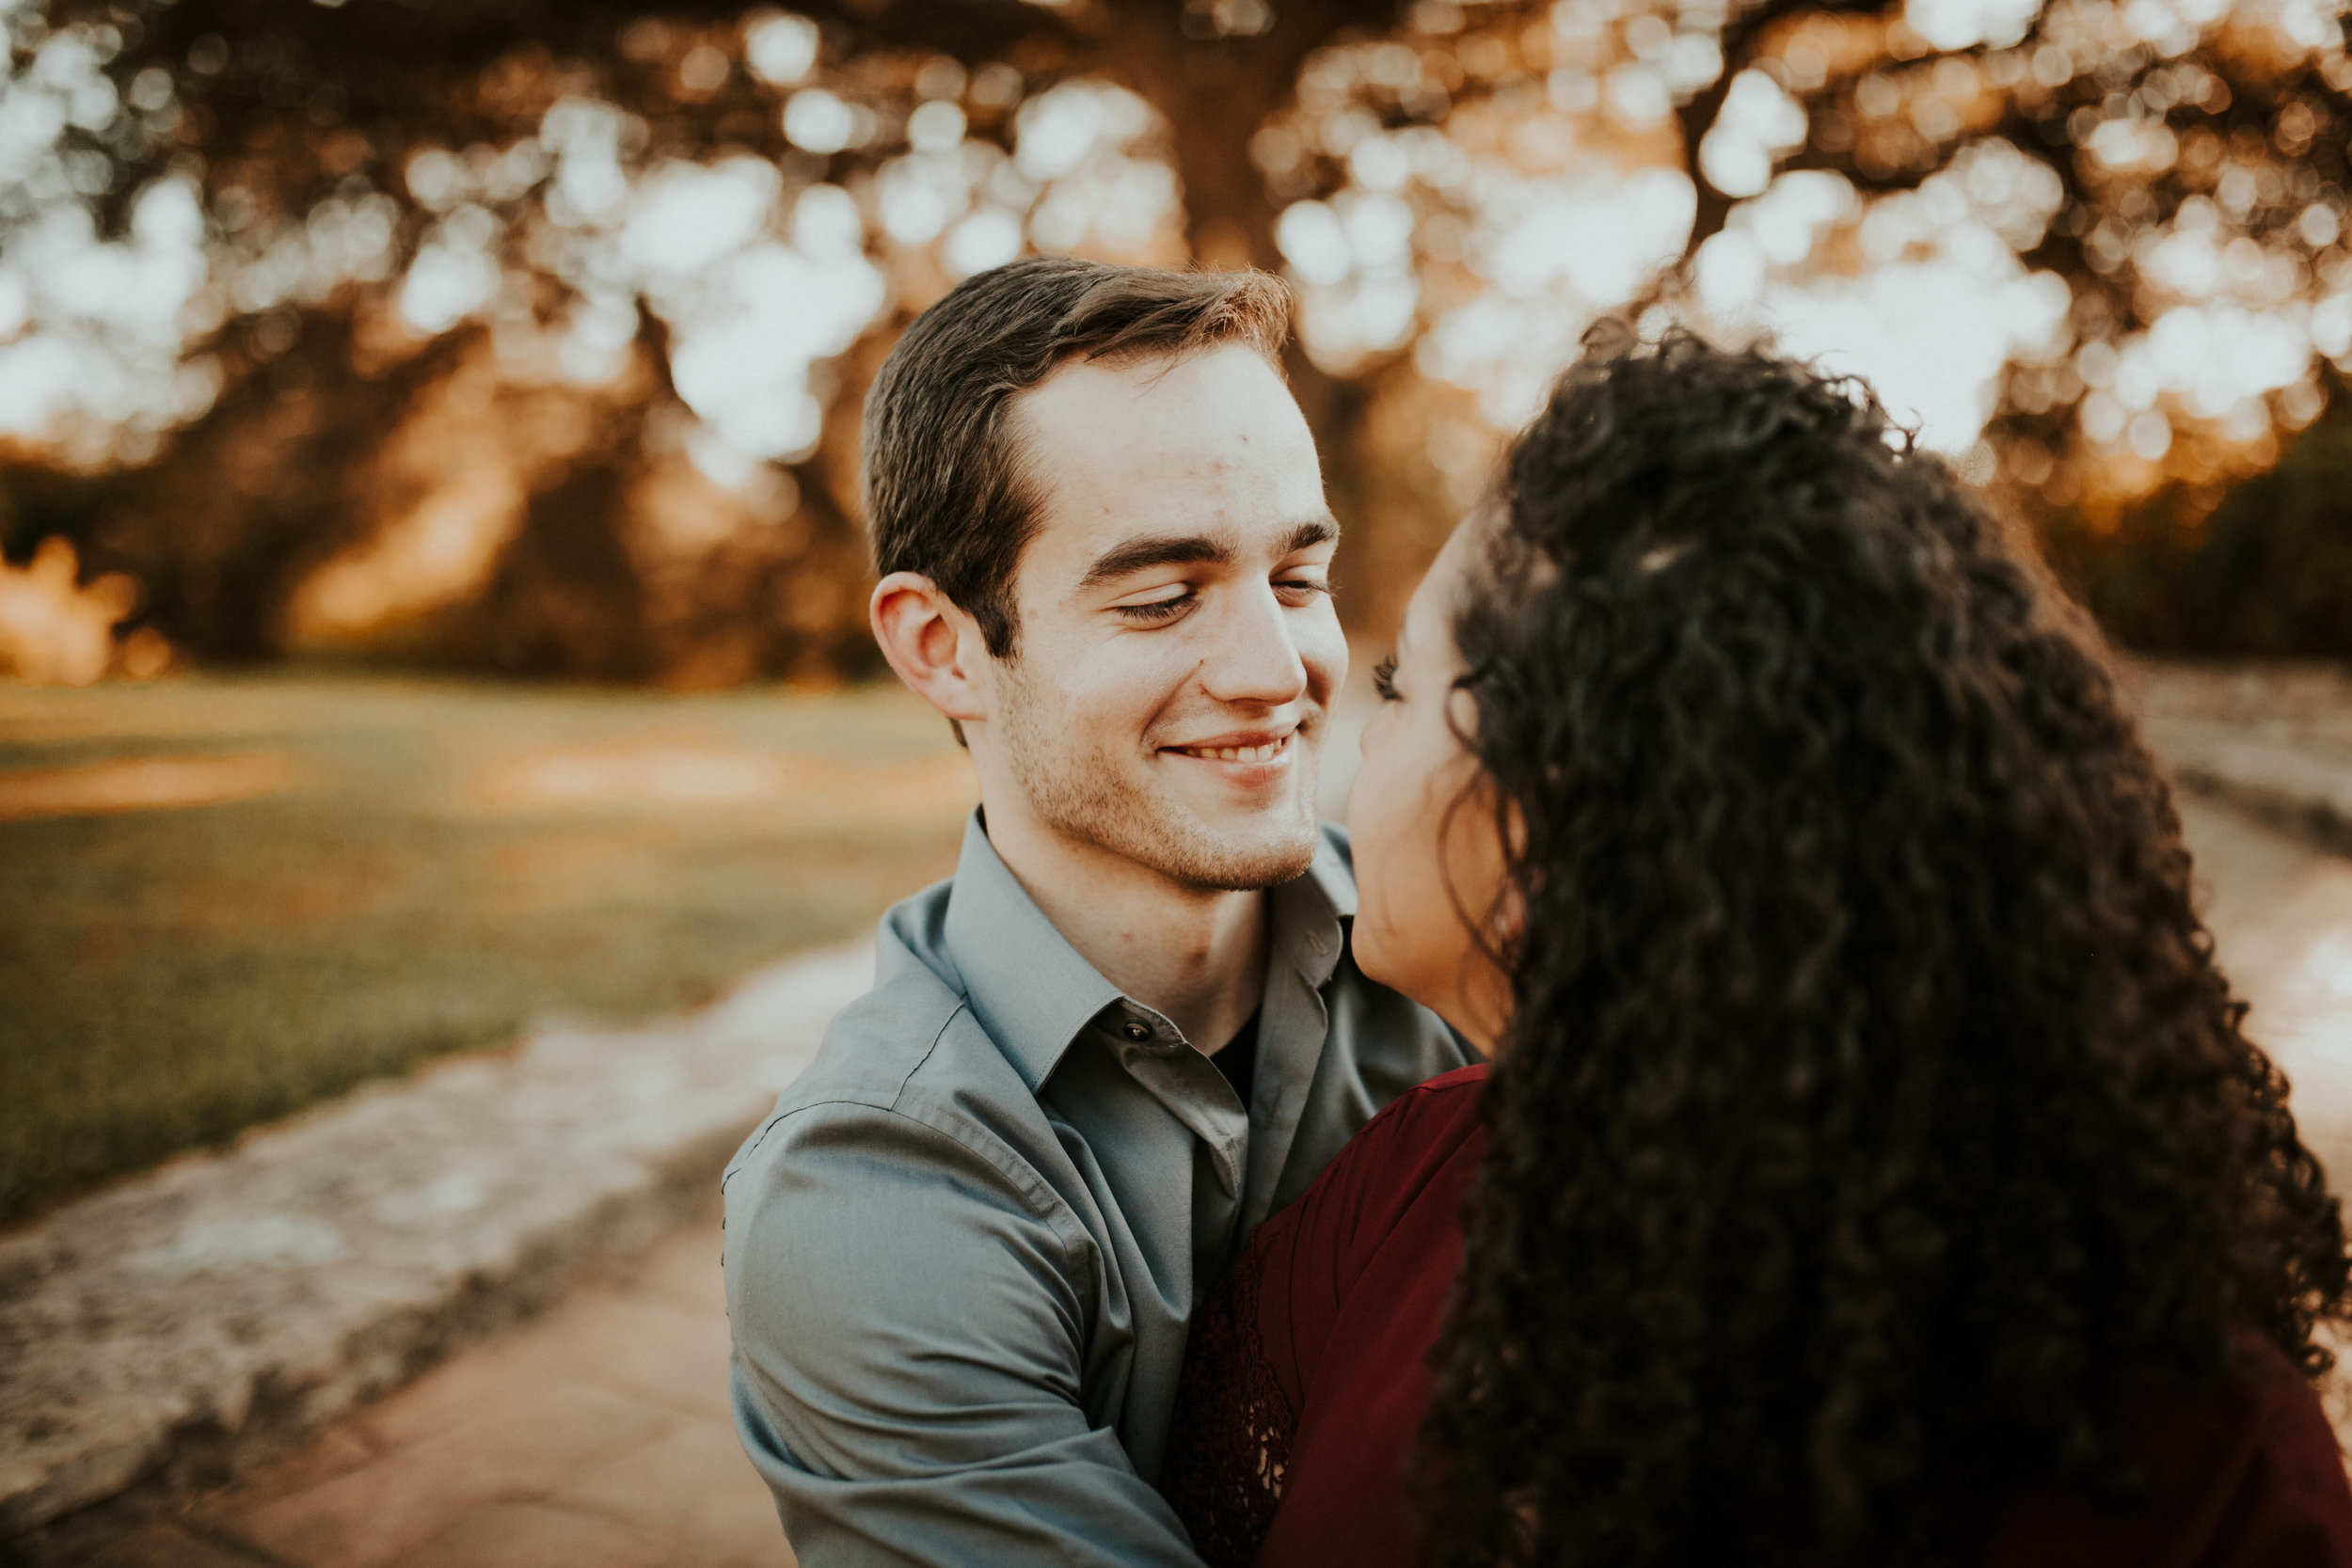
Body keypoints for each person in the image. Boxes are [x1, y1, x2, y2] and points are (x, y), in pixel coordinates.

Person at [1159, 329, 2352, 1567]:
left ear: (1554, 829)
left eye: (1405, 686)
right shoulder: (1398, 1188)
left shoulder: (2202, 1461)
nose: (1350, 736)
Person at [721, 257, 1474, 1565]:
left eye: (1298, 579)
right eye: (1162, 597)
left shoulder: (1456, 963)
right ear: (943, 647)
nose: (1274, 671)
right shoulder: (870, 1212)